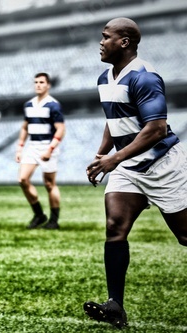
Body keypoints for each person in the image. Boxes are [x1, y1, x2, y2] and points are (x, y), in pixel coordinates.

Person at [84, 17, 187, 328]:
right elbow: (113, 118)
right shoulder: (105, 78)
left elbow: (155, 130)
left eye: (106, 37)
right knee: (115, 225)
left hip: (163, 166)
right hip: (128, 167)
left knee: (185, 236)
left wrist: (113, 160)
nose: (101, 42)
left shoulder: (145, 77)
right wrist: (103, 155)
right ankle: (115, 305)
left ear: (124, 42)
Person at [16, 73, 65, 229]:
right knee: (22, 180)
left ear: (48, 85)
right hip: (33, 146)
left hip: (47, 146)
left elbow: (60, 129)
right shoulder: (29, 105)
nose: (38, 85)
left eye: (41, 82)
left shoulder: (53, 105)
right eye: (36, 82)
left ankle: (54, 220)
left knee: (49, 184)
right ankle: (39, 214)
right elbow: (25, 127)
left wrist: (50, 149)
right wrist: (20, 147)